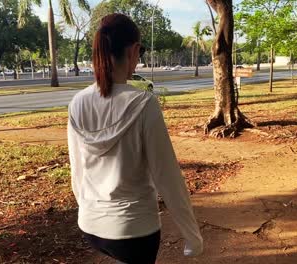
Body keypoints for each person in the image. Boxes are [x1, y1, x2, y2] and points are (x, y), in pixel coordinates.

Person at [67, 13, 203, 264]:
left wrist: (90, 211)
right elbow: (168, 177)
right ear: (133, 50)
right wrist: (192, 236)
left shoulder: (78, 103)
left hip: (91, 226)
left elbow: (77, 171)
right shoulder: (143, 104)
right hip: (134, 232)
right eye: (139, 55)